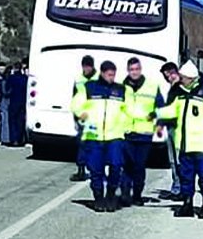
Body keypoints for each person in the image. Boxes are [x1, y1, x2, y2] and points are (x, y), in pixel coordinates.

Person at [155, 61, 203, 219]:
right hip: (185, 144)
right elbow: (172, 110)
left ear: (191, 78)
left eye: (183, 77)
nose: (180, 79)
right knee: (186, 176)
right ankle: (187, 204)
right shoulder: (181, 92)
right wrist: (155, 113)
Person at [71, 60, 128, 212]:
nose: (111, 77)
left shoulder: (120, 90)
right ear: (102, 73)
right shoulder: (89, 88)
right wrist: (80, 113)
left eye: (114, 75)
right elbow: (76, 104)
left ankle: (110, 194)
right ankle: (98, 198)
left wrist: (126, 125)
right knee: (96, 169)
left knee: (116, 166)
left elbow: (128, 110)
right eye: (109, 74)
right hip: (93, 135)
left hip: (114, 135)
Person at [120, 57, 164, 207]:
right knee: (126, 166)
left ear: (141, 69)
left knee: (139, 166)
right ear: (128, 70)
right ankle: (125, 194)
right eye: (132, 70)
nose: (134, 72)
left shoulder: (151, 86)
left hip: (144, 134)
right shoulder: (120, 87)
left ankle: (137, 195)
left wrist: (160, 124)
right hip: (126, 133)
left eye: (137, 69)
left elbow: (160, 107)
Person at [157, 61, 184, 201]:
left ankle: (180, 188)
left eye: (166, 75)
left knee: (177, 159)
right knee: (173, 160)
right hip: (171, 126)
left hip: (177, 127)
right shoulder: (175, 87)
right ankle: (176, 187)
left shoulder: (180, 88)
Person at [69, 54, 97, 182]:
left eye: (88, 66)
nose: (86, 69)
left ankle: (95, 168)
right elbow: (74, 98)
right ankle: (81, 169)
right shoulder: (79, 79)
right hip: (82, 116)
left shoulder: (99, 78)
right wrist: (75, 117)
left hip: (95, 116)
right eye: (85, 66)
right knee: (81, 143)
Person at [4, 62, 28, 147]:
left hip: (13, 101)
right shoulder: (25, 78)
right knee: (20, 121)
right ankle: (20, 139)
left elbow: (7, 90)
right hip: (23, 102)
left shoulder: (11, 78)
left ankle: (14, 140)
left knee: (12, 121)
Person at [0, 64, 16, 146]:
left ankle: (5, 137)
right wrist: (12, 91)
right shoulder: (4, 82)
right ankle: (5, 138)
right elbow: (5, 92)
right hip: (5, 102)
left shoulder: (5, 81)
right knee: (5, 120)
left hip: (6, 102)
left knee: (6, 121)